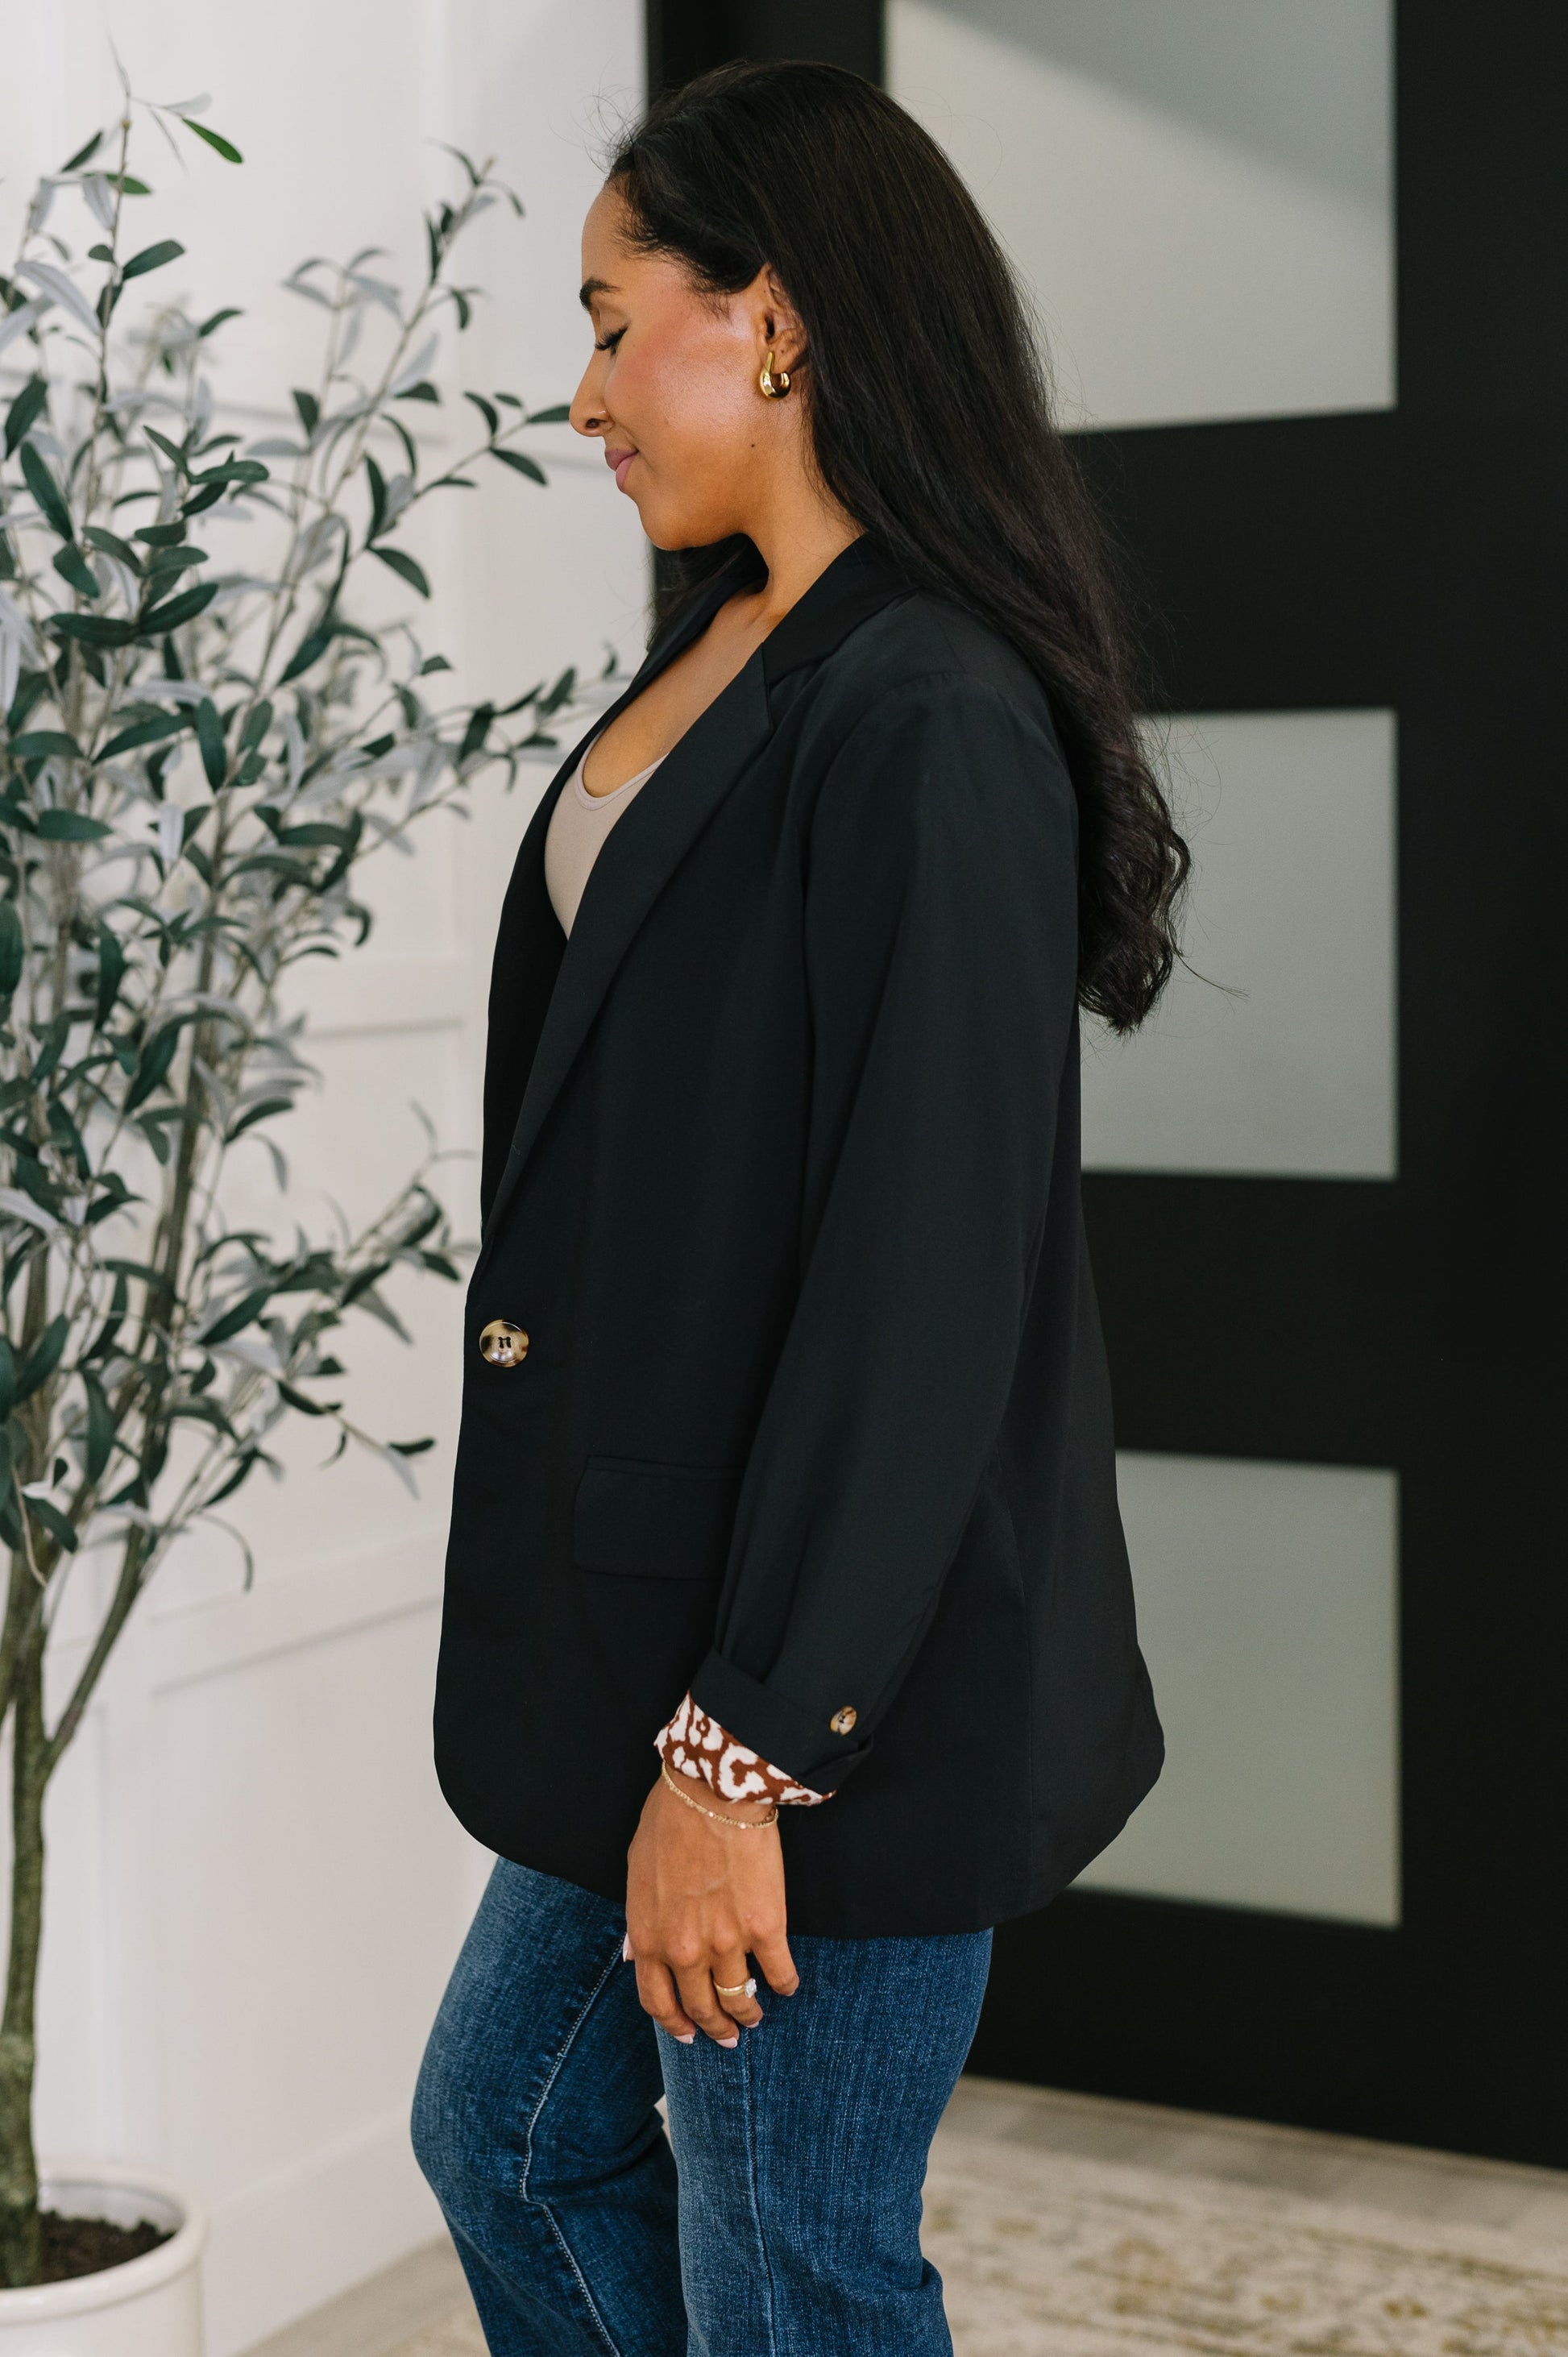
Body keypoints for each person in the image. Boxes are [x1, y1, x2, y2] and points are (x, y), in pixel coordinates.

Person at [412, 56, 1186, 2357]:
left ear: (771, 320)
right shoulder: (740, 642)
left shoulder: (927, 708)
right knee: (512, 2139)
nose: (579, 396)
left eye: (606, 322)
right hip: (655, 1624)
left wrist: (745, 1753)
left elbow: (921, 1277)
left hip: (818, 1676)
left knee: (796, 2263)